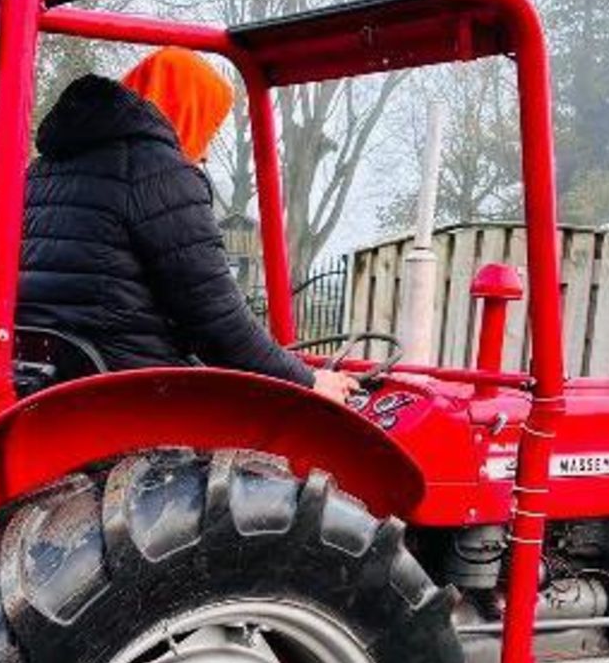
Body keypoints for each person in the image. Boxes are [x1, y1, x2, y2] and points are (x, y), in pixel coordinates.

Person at [18, 47, 357, 401]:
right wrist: (309, 381)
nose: (205, 151)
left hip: (46, 388)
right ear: (186, 109)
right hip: (129, 401)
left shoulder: (41, 172)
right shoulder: (158, 172)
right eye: (208, 125)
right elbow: (217, 321)